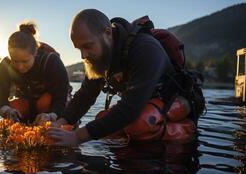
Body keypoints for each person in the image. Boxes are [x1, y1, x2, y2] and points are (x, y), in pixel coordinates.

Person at [47, 9, 203, 146]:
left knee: (137, 124)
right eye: (79, 48)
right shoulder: (100, 57)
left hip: (176, 101)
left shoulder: (145, 49)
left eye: (87, 46)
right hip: (143, 104)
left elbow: (130, 108)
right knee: (103, 122)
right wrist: (61, 122)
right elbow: (85, 95)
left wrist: (77, 137)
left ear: (108, 33)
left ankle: (186, 130)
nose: (83, 55)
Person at [0, 21, 69, 124]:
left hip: (52, 106)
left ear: (35, 52)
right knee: (15, 106)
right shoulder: (5, 65)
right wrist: (8, 111)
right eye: (15, 61)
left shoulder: (51, 61)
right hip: (26, 103)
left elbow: (61, 98)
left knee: (46, 102)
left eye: (25, 61)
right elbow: (0, 100)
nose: (20, 67)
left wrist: (51, 115)